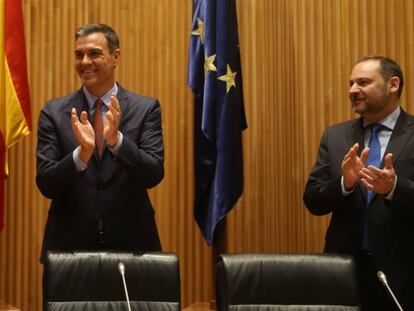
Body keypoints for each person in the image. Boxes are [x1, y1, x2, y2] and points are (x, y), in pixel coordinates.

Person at [36, 23, 164, 263]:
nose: (84, 62)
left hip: (133, 247)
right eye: (78, 55)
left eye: (94, 53)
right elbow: (46, 184)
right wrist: (81, 155)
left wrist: (117, 141)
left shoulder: (145, 109)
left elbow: (153, 174)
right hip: (68, 251)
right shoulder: (53, 112)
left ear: (116, 57)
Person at [303, 55, 414, 310]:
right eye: (351, 83)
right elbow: (313, 200)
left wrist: (395, 189)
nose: (353, 90)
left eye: (363, 82)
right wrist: (345, 183)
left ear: (393, 84)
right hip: (344, 271)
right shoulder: (336, 136)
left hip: (404, 273)